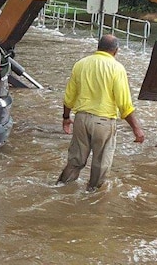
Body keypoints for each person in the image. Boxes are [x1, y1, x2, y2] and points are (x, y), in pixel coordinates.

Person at [57, 34, 145, 191]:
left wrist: (65, 118)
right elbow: (124, 104)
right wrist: (136, 128)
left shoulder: (81, 64)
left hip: (81, 119)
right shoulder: (117, 68)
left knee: (76, 160)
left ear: (98, 48)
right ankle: (92, 196)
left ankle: (60, 187)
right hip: (103, 123)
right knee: (100, 164)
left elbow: (69, 97)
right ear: (116, 51)